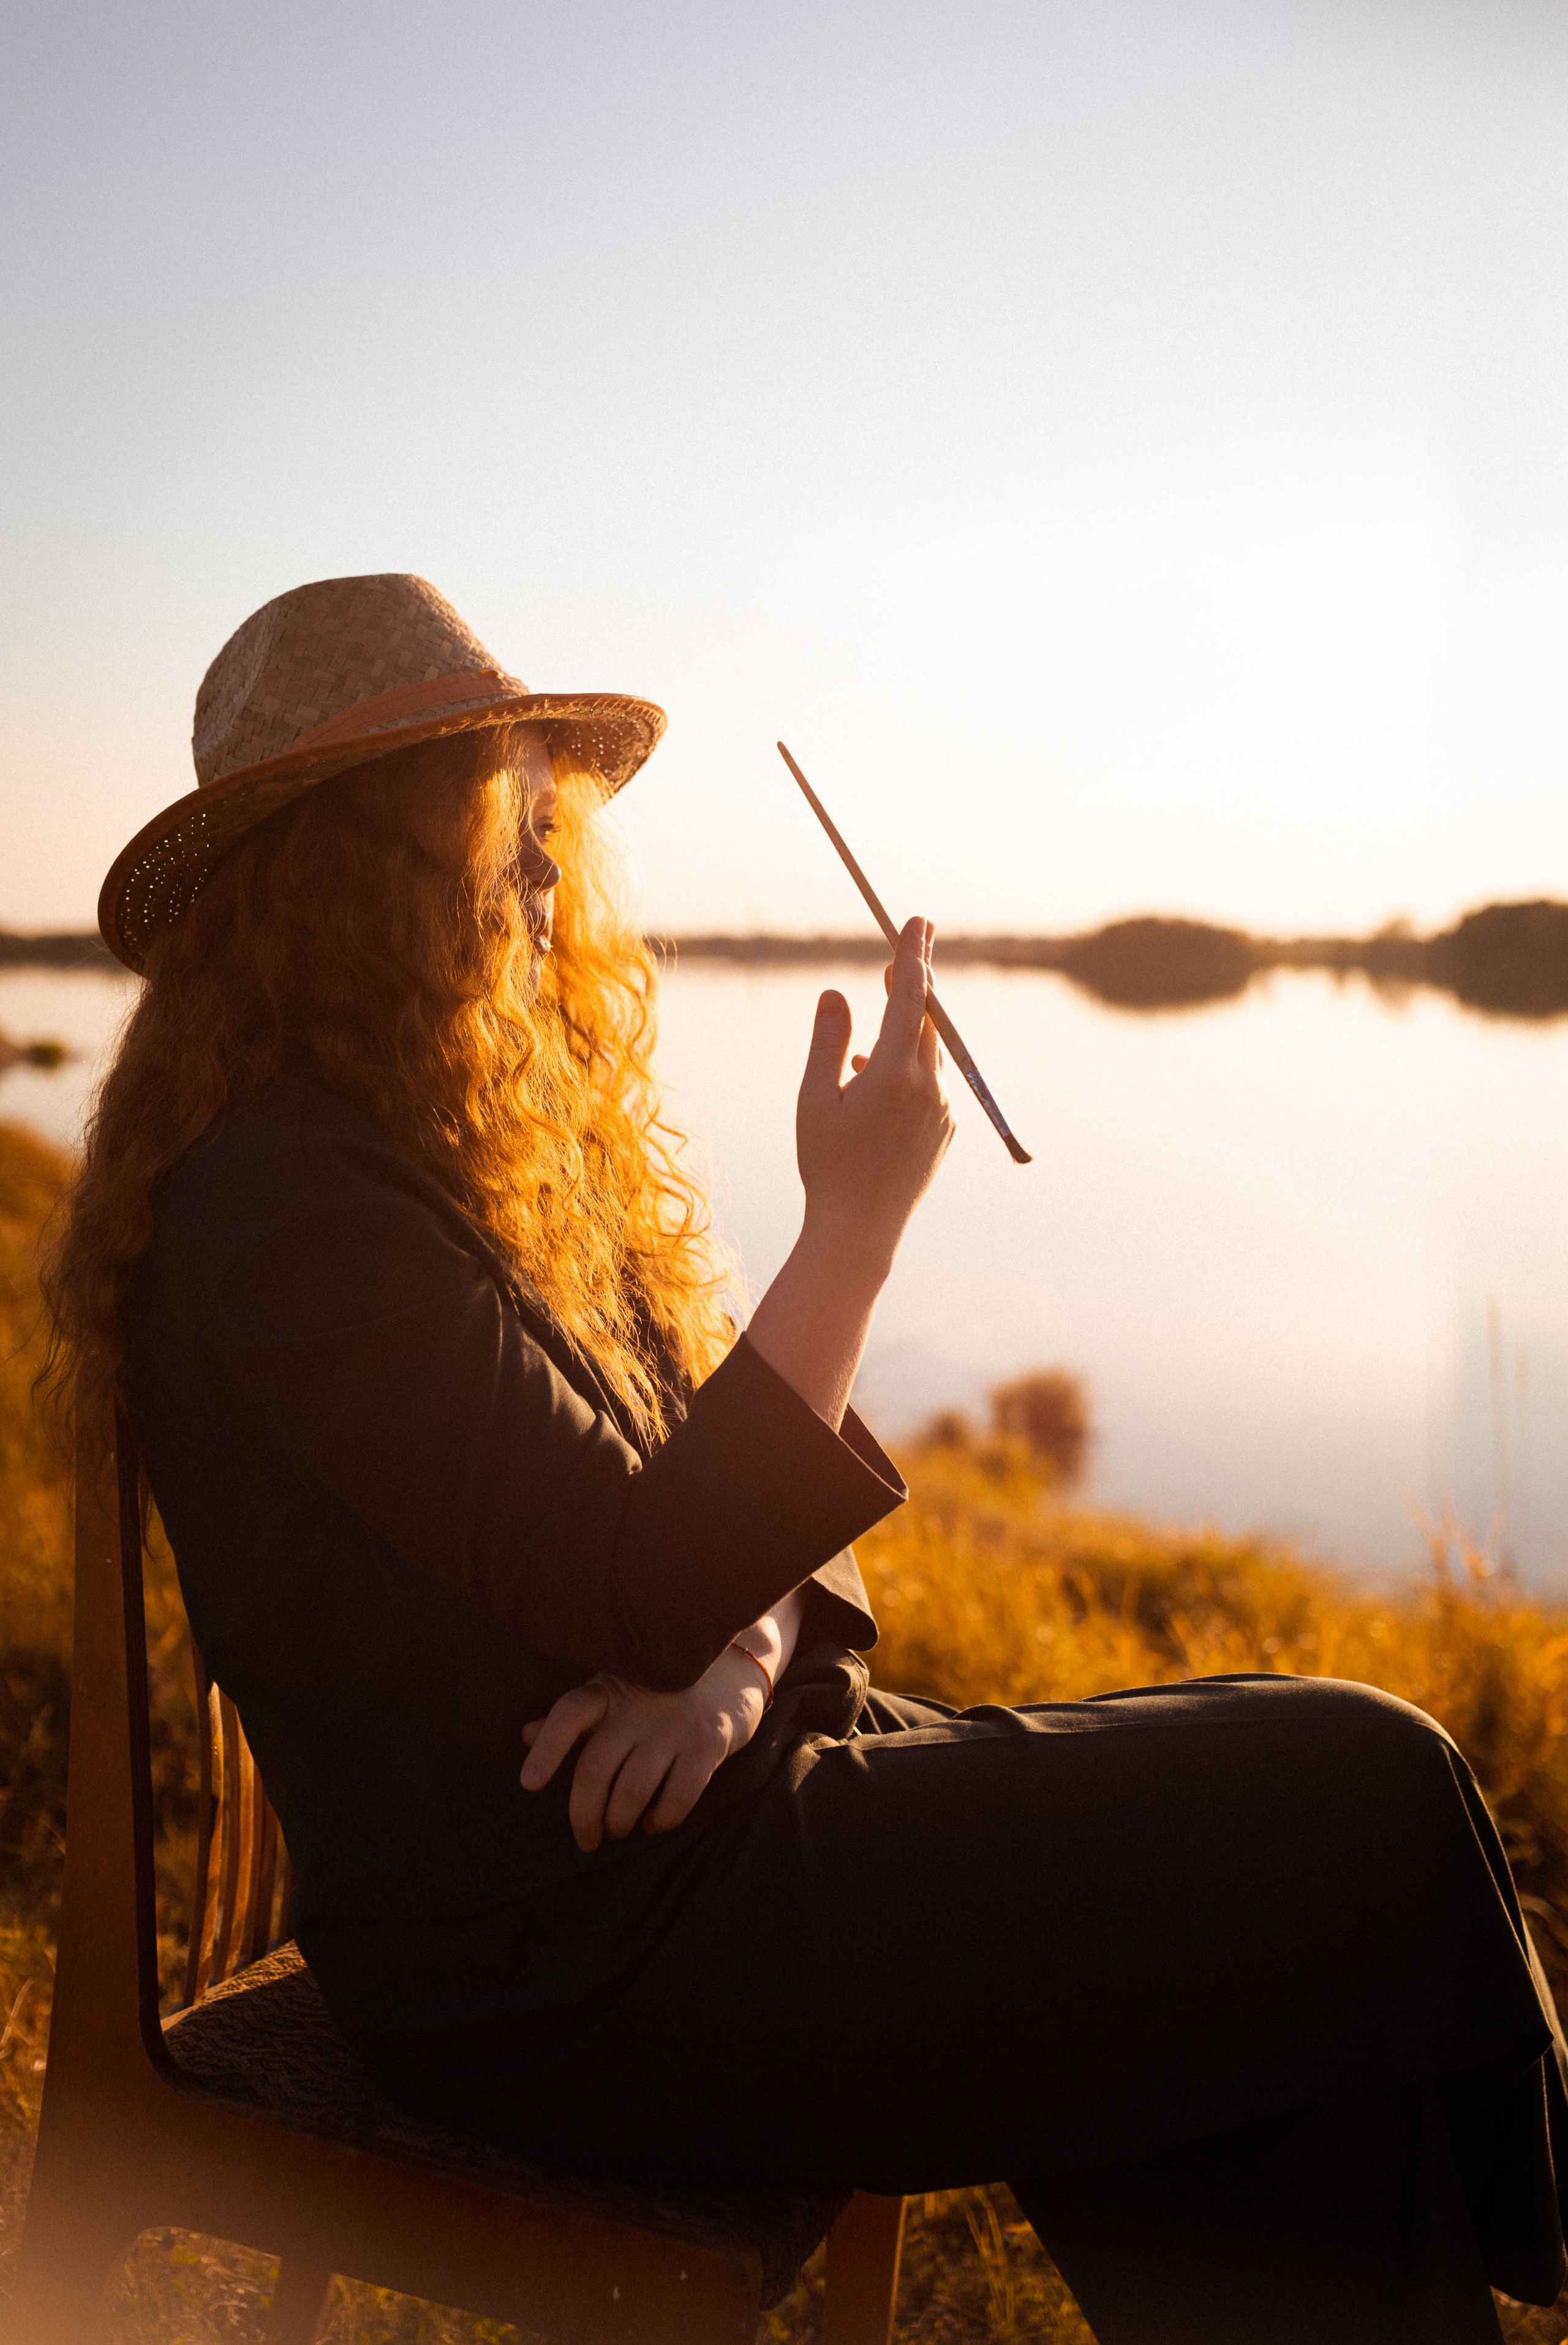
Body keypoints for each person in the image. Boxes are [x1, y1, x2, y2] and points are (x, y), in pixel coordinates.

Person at [46, 572, 1568, 2344]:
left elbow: (717, 1505)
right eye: (503, 829)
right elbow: (639, 1566)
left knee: (1278, 1997)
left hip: (706, 1826)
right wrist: (852, 1228)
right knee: (1361, 1787)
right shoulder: (284, 1204)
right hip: (575, 1960)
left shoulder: (443, 1150)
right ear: (353, 860)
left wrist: (738, 1655)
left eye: (548, 832)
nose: (547, 879)